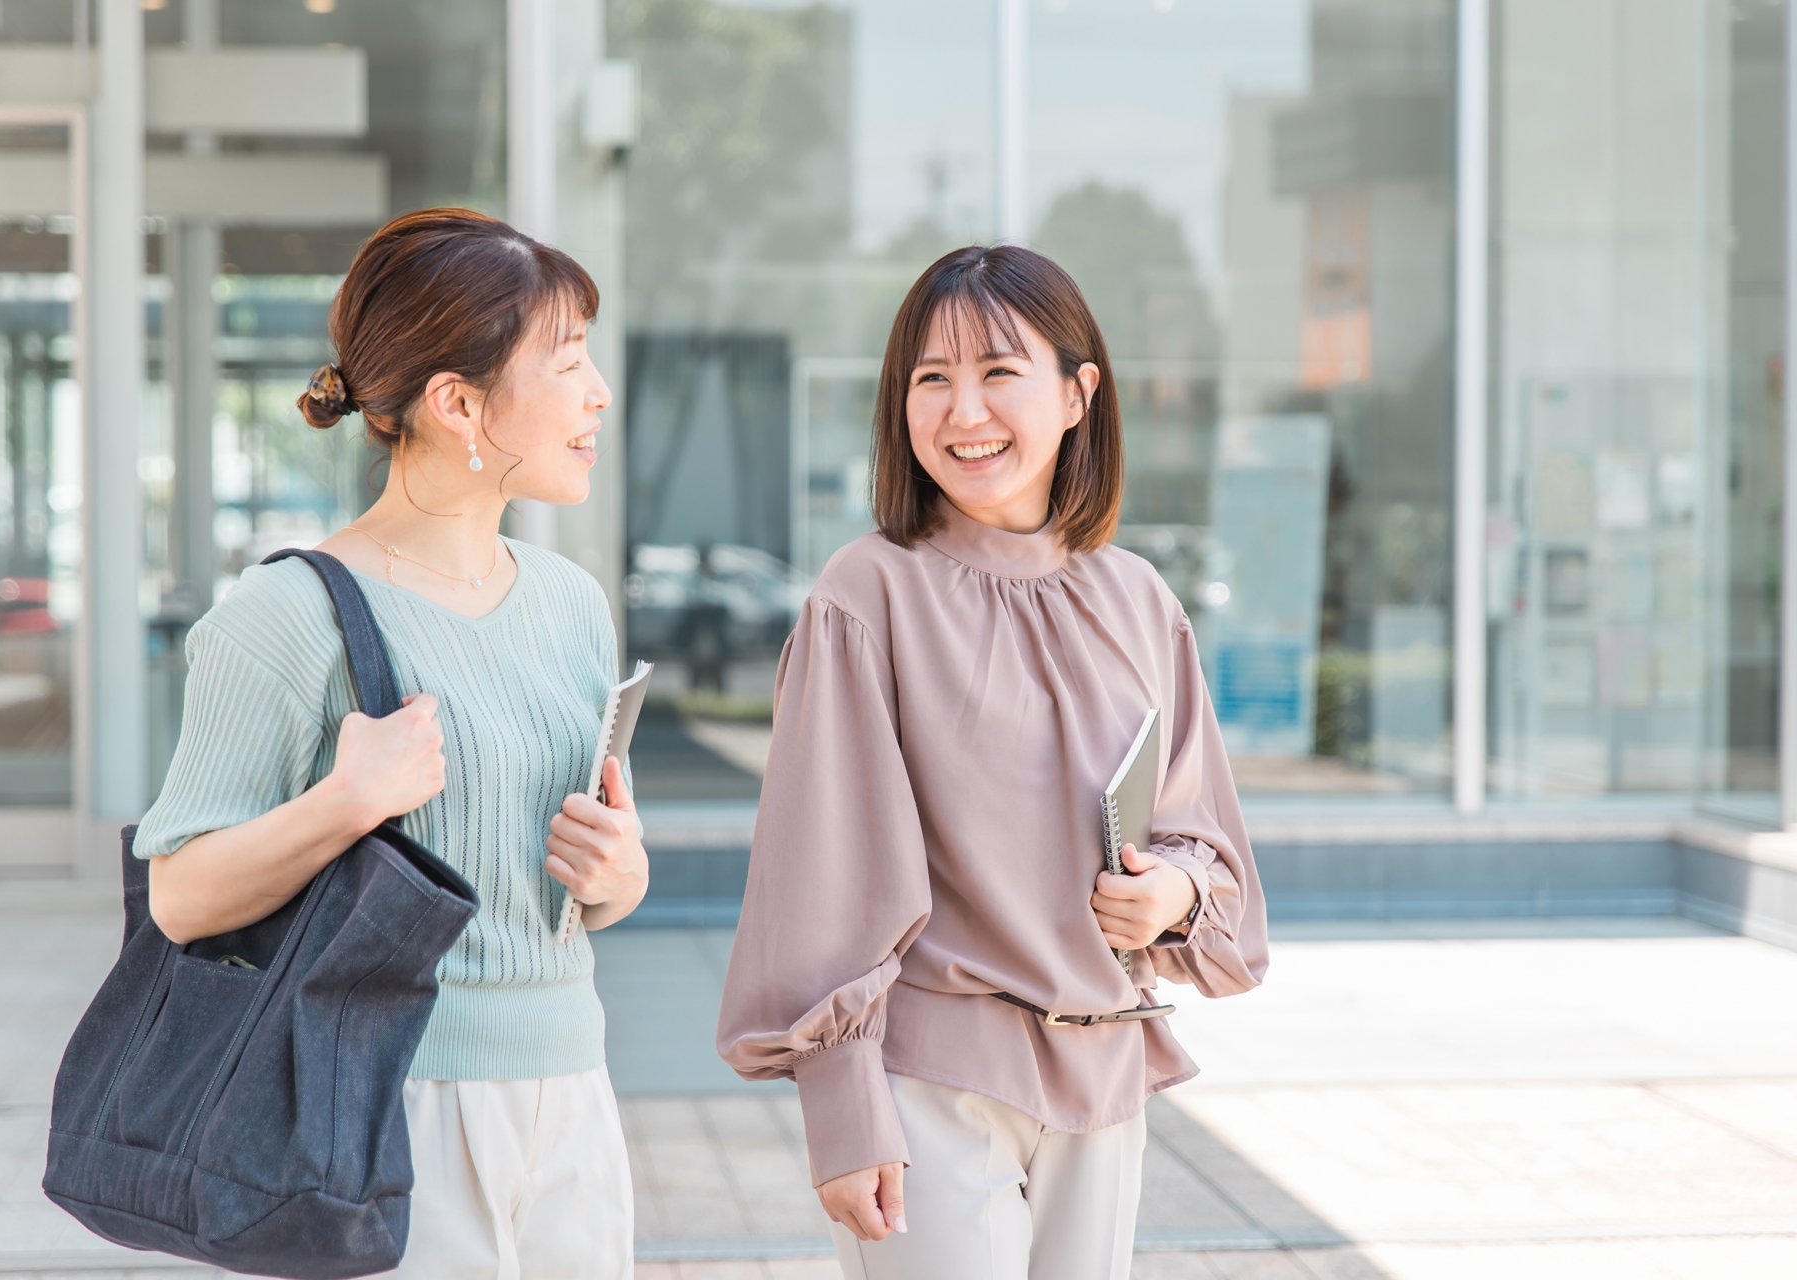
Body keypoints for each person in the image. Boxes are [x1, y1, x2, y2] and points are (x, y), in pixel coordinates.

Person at [717, 245, 1269, 1280]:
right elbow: (818, 875)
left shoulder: (1141, 598)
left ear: (1077, 392)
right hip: (931, 1078)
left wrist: (1176, 894)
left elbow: (1205, 837)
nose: (963, 411)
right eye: (932, 380)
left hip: (1105, 1070)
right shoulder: (867, 593)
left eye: (997, 372)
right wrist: (843, 1103)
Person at [138, 208, 642, 1280]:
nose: (598, 391)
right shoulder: (285, 615)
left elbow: (584, 889)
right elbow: (180, 896)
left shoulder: (570, 602)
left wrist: (619, 872)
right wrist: (340, 802)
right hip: (389, 1105)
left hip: (575, 1091)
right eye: (566, 361)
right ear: (458, 401)